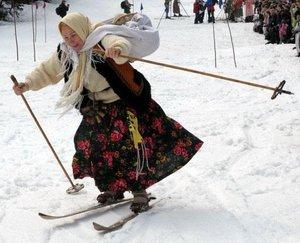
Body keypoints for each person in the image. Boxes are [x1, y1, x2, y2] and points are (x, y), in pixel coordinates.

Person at [12, 12, 203, 213]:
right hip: (97, 108)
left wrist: (117, 49)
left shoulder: (100, 38)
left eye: (74, 35)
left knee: (129, 146)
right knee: (91, 144)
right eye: (66, 37)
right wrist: (27, 84)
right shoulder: (66, 52)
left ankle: (139, 191)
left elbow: (117, 41)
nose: (71, 40)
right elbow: (47, 71)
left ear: (82, 29)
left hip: (123, 102)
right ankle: (114, 188)